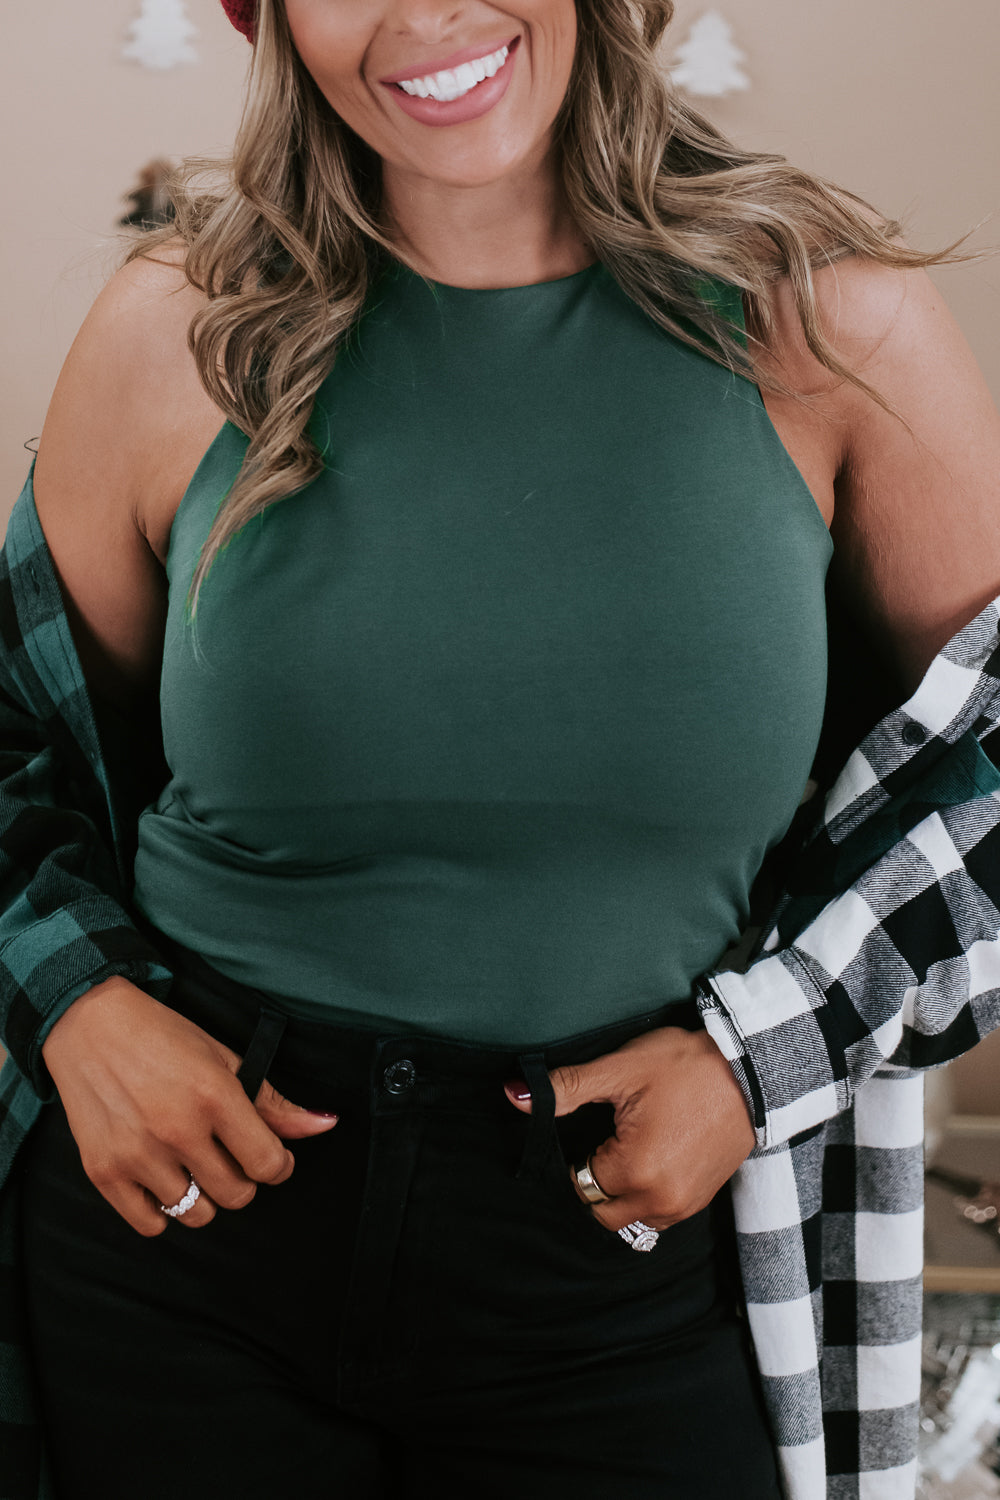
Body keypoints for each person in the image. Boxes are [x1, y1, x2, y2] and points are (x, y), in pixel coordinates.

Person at [3, 1, 1000, 1496]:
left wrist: (758, 1060)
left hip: (628, 1249)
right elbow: (17, 736)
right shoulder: (175, 329)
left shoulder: (831, 329)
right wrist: (79, 1004)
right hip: (182, 1249)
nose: (429, 12)